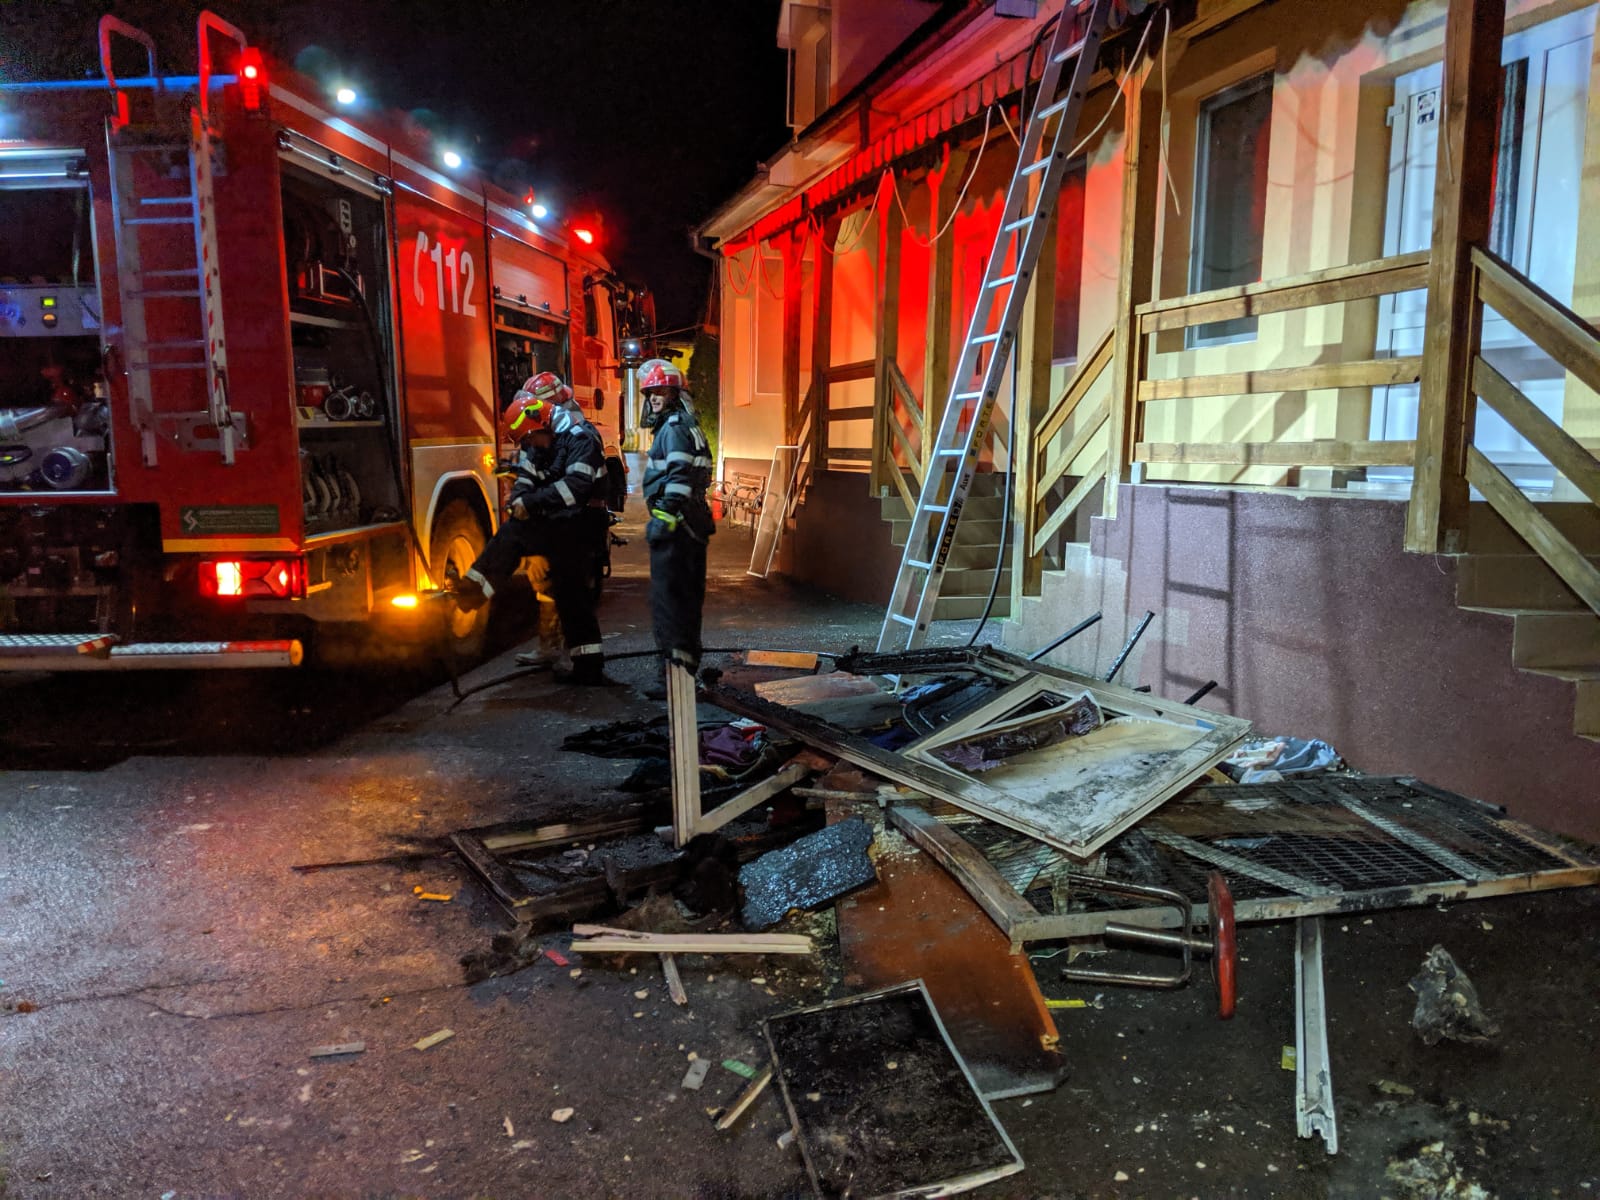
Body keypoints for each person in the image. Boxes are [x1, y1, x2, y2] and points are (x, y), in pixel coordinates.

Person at [453, 373, 610, 684]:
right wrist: (520, 501)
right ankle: (473, 589)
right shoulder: (539, 438)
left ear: (542, 422)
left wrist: (533, 503)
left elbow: (575, 488)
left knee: (571, 593)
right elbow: (527, 476)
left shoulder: (581, 437)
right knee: (520, 536)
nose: (529, 446)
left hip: (583, 521)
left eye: (529, 439)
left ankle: (588, 667)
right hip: (561, 519)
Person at [639, 358, 714, 673]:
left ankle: (672, 674)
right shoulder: (687, 424)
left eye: (661, 392)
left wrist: (664, 517)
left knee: (669, 603)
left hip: (679, 526)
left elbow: (679, 477)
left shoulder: (672, 428)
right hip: (693, 521)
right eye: (651, 393)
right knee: (686, 600)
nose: (654, 398)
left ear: (674, 394)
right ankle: (685, 668)